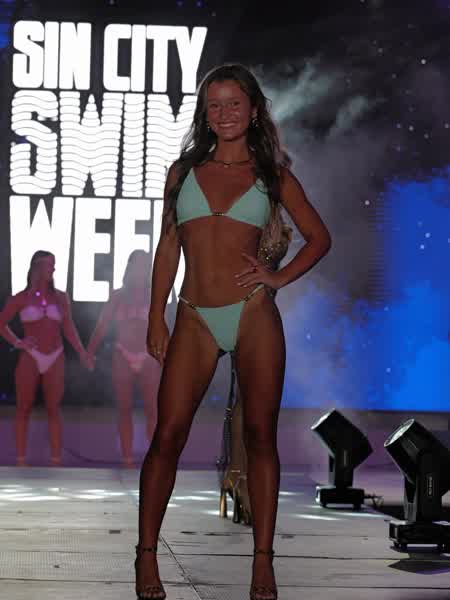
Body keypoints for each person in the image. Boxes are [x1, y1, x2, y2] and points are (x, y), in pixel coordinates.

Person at [136, 63, 332, 600]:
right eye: (214, 105)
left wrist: (278, 278)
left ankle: (263, 562)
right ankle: (146, 555)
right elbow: (168, 247)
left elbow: (319, 238)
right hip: (194, 316)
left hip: (252, 314)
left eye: (233, 103)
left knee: (260, 437)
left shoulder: (272, 175)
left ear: (253, 110)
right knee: (167, 437)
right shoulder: (182, 172)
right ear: (205, 113)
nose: (223, 113)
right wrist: (155, 316)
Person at [0, 250, 92, 466]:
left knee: (54, 408)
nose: (53, 269)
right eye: (49, 265)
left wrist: (82, 352)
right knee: (23, 407)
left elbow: (68, 328)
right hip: (31, 355)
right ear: (37, 267)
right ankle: (21, 460)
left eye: (53, 265)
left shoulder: (60, 297)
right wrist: (17, 342)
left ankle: (56, 460)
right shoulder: (21, 298)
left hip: (55, 355)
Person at [87, 250, 160, 467]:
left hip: (148, 354)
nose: (141, 269)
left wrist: (165, 355)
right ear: (130, 268)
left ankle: (155, 460)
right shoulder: (118, 296)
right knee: (124, 408)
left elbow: (164, 326)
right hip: (123, 353)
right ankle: (127, 458)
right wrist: (89, 352)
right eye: (137, 265)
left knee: (153, 409)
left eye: (145, 265)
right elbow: (102, 325)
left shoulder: (155, 295)